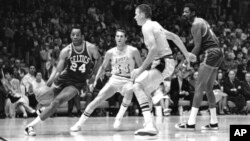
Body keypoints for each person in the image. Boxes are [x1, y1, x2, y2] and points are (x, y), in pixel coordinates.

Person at [24, 25, 101, 136]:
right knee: (45, 98)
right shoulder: (66, 50)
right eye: (73, 35)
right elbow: (58, 70)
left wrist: (93, 74)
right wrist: (49, 82)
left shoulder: (91, 48)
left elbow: (99, 59)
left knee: (56, 102)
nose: (75, 37)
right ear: (70, 36)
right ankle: (42, 109)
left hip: (76, 83)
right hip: (63, 79)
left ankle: (30, 126)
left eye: (77, 35)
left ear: (82, 36)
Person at [132, 4, 196, 136]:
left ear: (142, 15)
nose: (134, 17)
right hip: (166, 62)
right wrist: (186, 54)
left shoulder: (146, 27)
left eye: (136, 14)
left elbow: (154, 49)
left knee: (137, 85)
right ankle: (150, 124)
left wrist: (140, 69)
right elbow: (174, 37)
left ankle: (150, 125)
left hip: (163, 62)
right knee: (145, 91)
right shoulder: (156, 25)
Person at [70, 29, 142, 132]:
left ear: (126, 38)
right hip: (114, 79)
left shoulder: (133, 50)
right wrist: (95, 80)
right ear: (115, 38)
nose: (119, 38)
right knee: (97, 100)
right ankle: (79, 124)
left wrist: (140, 77)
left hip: (128, 80)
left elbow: (141, 66)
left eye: (121, 36)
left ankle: (119, 116)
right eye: (117, 36)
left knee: (130, 89)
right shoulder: (110, 52)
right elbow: (103, 67)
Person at [175, 3, 224, 130]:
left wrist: (186, 63)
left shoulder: (195, 24)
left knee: (199, 87)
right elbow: (200, 45)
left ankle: (191, 123)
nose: (183, 14)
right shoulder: (202, 21)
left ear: (193, 12)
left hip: (211, 53)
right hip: (219, 52)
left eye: (186, 12)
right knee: (208, 88)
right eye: (183, 11)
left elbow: (197, 47)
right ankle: (214, 122)